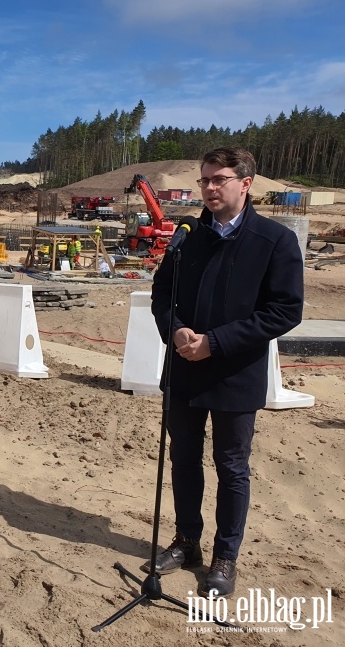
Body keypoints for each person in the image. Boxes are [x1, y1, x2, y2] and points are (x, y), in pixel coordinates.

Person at [148, 147, 304, 598]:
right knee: (183, 459)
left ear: (246, 184)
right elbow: (162, 296)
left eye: (219, 179)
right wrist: (176, 331)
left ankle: (225, 556)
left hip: (236, 372)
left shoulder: (274, 240)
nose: (210, 188)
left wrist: (215, 343)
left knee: (231, 466)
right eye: (205, 180)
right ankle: (187, 542)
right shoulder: (187, 237)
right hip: (184, 371)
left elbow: (284, 311)